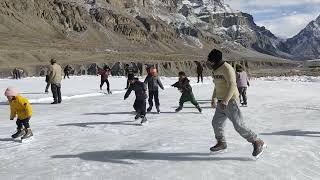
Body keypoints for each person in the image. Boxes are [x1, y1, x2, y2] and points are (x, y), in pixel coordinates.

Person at [206, 49, 265, 158]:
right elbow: (217, 85)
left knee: (238, 125)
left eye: (211, 61)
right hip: (221, 102)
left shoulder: (227, 68)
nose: (209, 63)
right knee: (216, 123)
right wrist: (213, 98)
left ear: (216, 60)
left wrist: (226, 100)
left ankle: (257, 141)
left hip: (231, 101)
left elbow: (233, 85)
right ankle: (221, 143)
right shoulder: (215, 70)